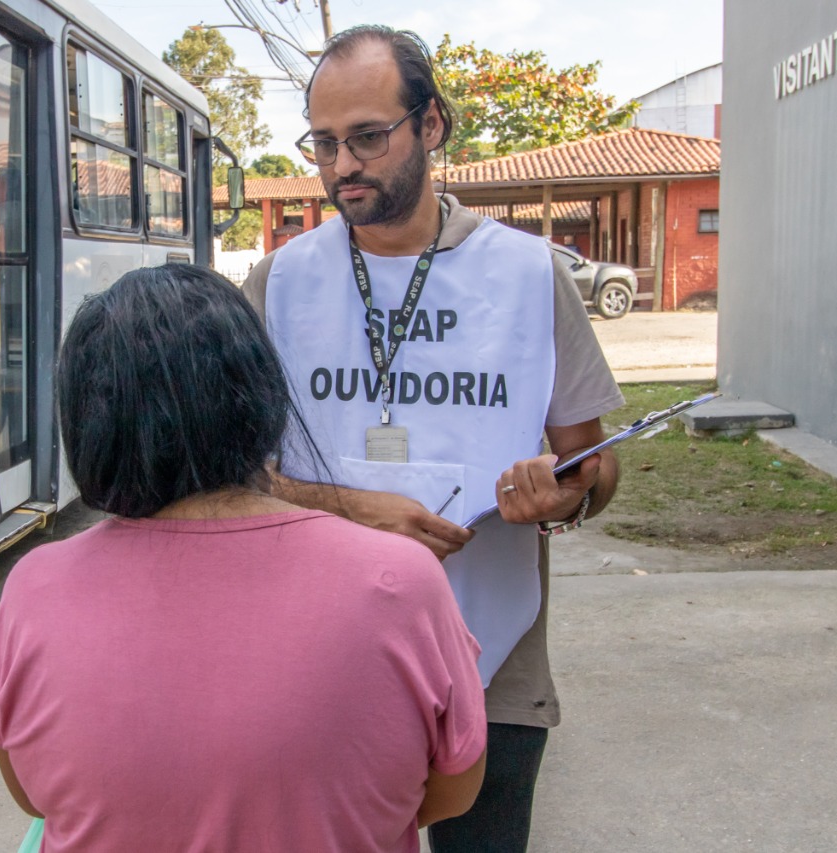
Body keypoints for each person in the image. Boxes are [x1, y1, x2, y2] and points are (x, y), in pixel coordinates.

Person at [241, 26, 624, 853]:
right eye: (325, 143)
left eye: (369, 138)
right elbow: (232, 479)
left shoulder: (530, 275)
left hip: (494, 659)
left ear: (433, 125)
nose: (343, 165)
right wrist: (345, 506)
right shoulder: (278, 282)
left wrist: (564, 492)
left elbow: (595, 465)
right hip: (315, 661)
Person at [0, 264, 488, 852]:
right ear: (261, 396)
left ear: (89, 422)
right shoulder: (402, 583)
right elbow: (451, 794)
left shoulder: (37, 588)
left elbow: (33, 795)